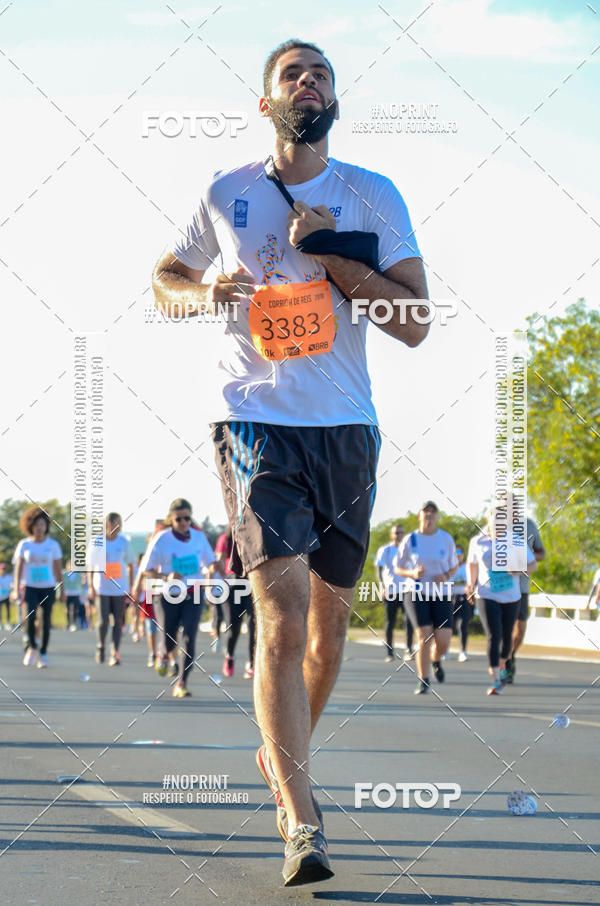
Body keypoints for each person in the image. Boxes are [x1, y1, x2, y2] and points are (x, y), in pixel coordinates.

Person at [152, 39, 429, 886]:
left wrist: (335, 255)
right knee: (284, 612)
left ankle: (280, 755)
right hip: (254, 419)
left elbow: (413, 319)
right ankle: (300, 822)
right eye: (291, 75)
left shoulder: (372, 195)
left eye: (321, 75)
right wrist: (204, 294)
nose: (308, 83)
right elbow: (166, 275)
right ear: (265, 101)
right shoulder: (226, 190)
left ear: (334, 101)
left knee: (332, 627)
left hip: (346, 426)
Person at [141, 498, 217, 697]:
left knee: (189, 638)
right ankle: (163, 653)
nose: (184, 523)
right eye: (179, 519)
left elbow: (211, 562)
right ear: (171, 519)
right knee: (169, 638)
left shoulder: (199, 538)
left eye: (187, 518)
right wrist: (166, 576)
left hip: (193, 592)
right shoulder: (162, 538)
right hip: (168, 594)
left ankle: (182, 682)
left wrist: (211, 569)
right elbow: (146, 569)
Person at [466, 506, 537, 695]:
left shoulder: (514, 540)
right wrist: (470, 584)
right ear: (488, 520)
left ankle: (504, 663)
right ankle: (495, 679)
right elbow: (472, 563)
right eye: (494, 518)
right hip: (486, 594)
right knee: (493, 635)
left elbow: (533, 564)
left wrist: (518, 570)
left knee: (507, 638)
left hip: (511, 596)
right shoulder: (477, 541)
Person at [394, 502, 458, 694]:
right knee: (425, 636)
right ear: (419, 516)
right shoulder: (410, 539)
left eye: (433, 512)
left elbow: (454, 565)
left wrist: (446, 576)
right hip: (416, 592)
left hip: (441, 592)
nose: (429, 515)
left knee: (444, 641)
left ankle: (436, 659)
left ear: (437, 517)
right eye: (426, 512)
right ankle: (424, 679)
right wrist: (412, 572)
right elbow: (398, 567)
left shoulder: (445, 539)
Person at [11, 505, 63, 668]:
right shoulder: (24, 545)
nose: (39, 528)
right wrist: (15, 589)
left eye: (42, 524)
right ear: (30, 526)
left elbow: (58, 569)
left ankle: (43, 653)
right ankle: (32, 647)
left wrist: (62, 590)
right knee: (29, 617)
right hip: (30, 586)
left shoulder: (53, 545)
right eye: (36, 525)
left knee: (46, 621)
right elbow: (18, 568)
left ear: (46, 526)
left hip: (48, 587)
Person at [88, 513, 135, 666]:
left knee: (118, 621)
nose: (118, 526)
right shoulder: (97, 541)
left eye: (120, 523)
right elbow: (90, 565)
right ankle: (101, 645)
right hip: (101, 587)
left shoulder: (124, 542)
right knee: (103, 621)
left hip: (119, 588)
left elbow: (130, 564)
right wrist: (90, 586)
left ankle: (115, 652)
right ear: (107, 523)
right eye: (115, 523)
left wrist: (132, 587)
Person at [504, 517, 545, 684]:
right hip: (501, 586)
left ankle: (510, 655)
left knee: (519, 630)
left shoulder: (529, 525)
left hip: (521, 586)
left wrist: (527, 555)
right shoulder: (495, 523)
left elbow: (541, 553)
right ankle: (503, 662)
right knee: (504, 628)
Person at [215, 527, 257, 679]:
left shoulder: (255, 533)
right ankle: (230, 656)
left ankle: (252, 663)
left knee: (254, 623)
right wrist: (225, 577)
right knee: (234, 627)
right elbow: (219, 559)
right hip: (233, 585)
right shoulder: (226, 539)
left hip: (252, 583)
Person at [374, 524, 414, 662]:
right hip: (391, 590)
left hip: (407, 590)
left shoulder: (409, 550)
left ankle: (409, 649)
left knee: (409, 620)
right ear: (392, 535)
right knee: (390, 622)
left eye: (401, 532)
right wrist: (382, 586)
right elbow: (379, 570)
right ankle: (389, 652)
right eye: (396, 533)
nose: (398, 535)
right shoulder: (385, 550)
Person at [451, 547, 471, 662]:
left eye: (460, 553)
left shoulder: (467, 567)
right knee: (447, 626)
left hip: (463, 598)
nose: (457, 556)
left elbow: (471, 582)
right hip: (449, 599)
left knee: (463, 625)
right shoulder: (448, 567)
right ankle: (444, 650)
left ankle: (463, 651)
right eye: (455, 553)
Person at [63, 560, 84, 631]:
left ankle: (74, 623)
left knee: (75, 609)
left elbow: (80, 585)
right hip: (67, 593)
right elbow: (61, 584)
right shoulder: (65, 574)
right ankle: (68, 623)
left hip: (76, 593)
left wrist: (82, 594)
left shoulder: (78, 575)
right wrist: (60, 593)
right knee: (68, 609)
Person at [0, 562, 13, 630]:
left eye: (4, 569)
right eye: (2, 569)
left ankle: (8, 623)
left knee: (8, 610)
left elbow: (12, 585)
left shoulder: (9, 577)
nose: (3, 570)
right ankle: (0, 623)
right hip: (0, 597)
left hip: (7, 596)